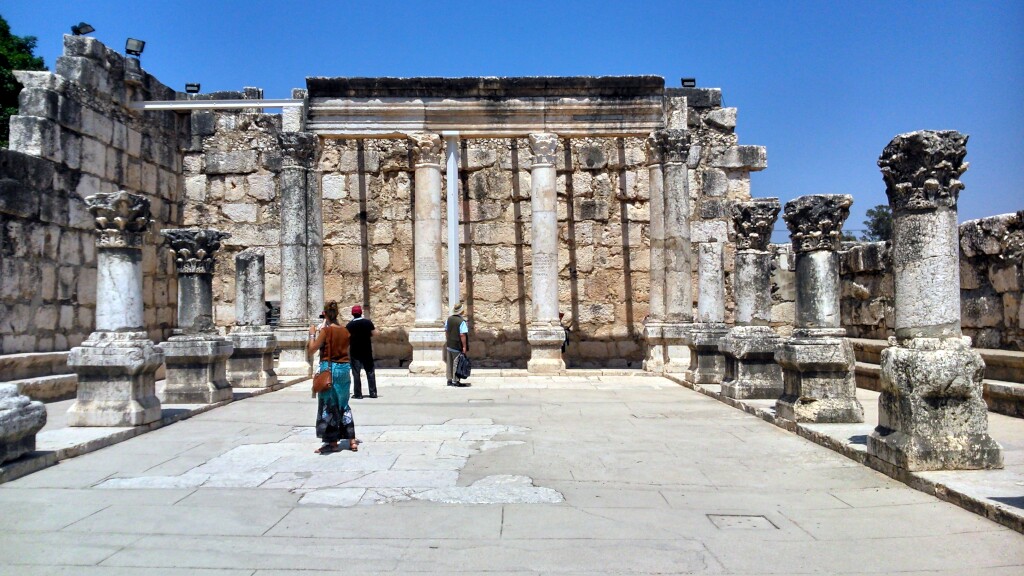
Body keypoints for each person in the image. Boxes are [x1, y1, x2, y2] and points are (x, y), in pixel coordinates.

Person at [308, 301, 357, 453]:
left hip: (330, 369)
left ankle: (332, 442)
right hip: (344, 369)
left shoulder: (326, 331)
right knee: (344, 403)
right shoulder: (345, 331)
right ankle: (352, 440)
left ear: (326, 314)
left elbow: (312, 349)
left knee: (328, 405)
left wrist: (312, 333)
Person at [346, 304, 378, 399]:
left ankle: (358, 394)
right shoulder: (367, 322)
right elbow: (375, 333)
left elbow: (347, 338)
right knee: (370, 371)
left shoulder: (349, 325)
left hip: (355, 352)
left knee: (356, 373)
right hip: (367, 350)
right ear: (361, 313)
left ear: (352, 314)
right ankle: (373, 393)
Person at [444, 302, 469, 387]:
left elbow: (446, 331)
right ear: (461, 311)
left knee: (449, 363)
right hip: (457, 345)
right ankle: (455, 381)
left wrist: (448, 340)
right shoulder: (462, 321)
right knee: (456, 362)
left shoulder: (449, 319)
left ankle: (449, 379)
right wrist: (464, 347)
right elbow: (462, 335)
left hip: (450, 344)